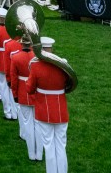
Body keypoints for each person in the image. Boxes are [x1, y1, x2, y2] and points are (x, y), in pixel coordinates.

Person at [24, 36, 73, 173]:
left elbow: (29, 89)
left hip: (43, 110)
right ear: (51, 48)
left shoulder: (36, 66)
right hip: (60, 110)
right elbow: (69, 83)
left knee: (49, 146)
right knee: (61, 145)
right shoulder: (62, 65)